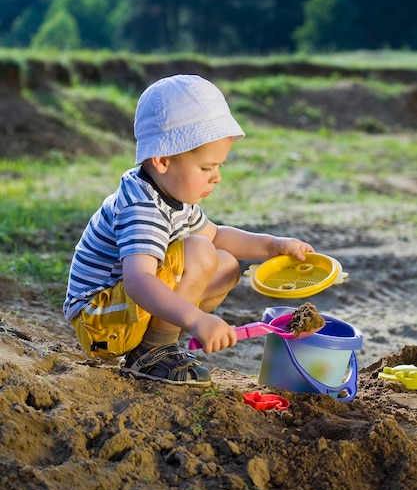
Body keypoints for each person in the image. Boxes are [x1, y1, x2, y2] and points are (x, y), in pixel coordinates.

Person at [64, 74, 314, 387]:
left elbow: (219, 235)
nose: (217, 177)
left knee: (225, 264)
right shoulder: (142, 207)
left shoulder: (173, 195)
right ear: (163, 160)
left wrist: (274, 245)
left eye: (220, 166)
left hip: (124, 312)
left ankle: (158, 344)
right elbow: (138, 280)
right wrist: (196, 319)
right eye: (207, 167)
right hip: (100, 320)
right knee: (199, 251)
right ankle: (152, 353)